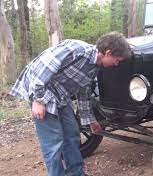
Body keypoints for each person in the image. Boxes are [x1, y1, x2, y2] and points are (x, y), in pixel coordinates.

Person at [10, 32, 131, 176]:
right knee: (54, 141)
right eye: (117, 60)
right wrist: (38, 100)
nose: (116, 64)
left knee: (72, 134)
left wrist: (90, 120)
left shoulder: (95, 68)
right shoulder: (77, 50)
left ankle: (76, 173)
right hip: (42, 90)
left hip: (60, 94)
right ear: (108, 52)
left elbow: (84, 93)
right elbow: (41, 69)